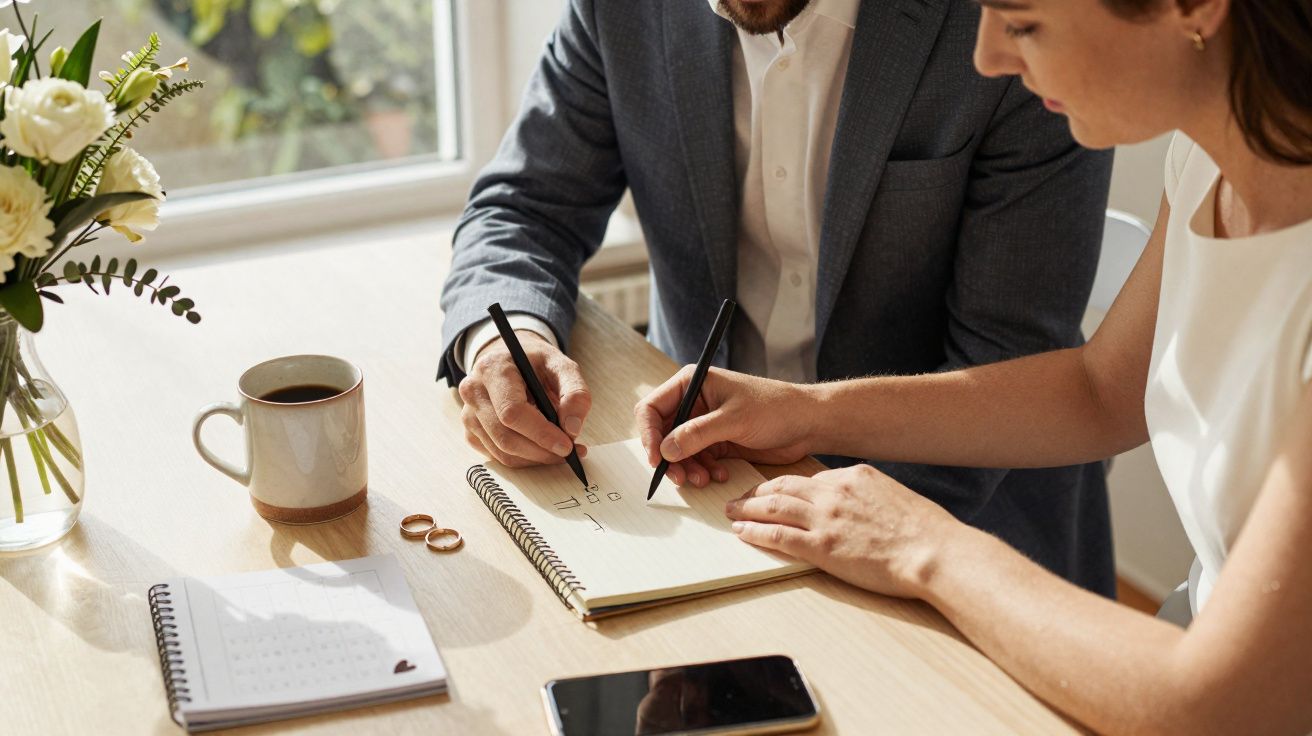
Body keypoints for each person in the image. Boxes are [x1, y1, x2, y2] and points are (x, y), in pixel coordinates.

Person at [636, 0, 1312, 730]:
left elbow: (1217, 702)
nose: (987, 57)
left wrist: (924, 547)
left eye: (1021, 23)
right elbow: (1099, 393)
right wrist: (807, 412)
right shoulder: (1209, 158)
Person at [440, 0, 1118, 595]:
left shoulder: (1012, 25)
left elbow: (1010, 361)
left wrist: (812, 529)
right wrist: (507, 338)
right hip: (700, 492)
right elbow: (524, 206)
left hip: (962, 524)